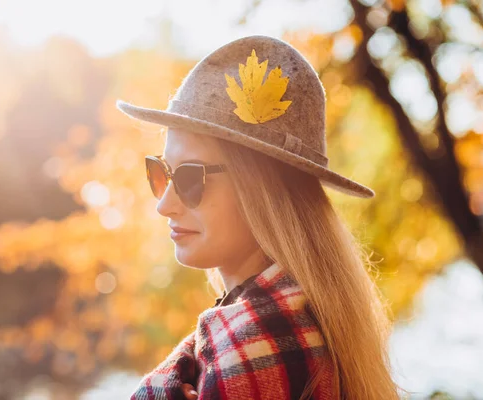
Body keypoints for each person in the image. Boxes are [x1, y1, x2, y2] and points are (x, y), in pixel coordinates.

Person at [116, 34, 406, 399]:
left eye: (191, 177)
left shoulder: (250, 349)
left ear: (261, 191)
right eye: (161, 173)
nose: (164, 204)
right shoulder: (316, 316)